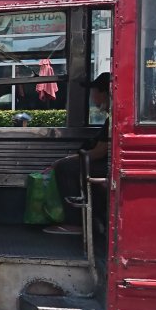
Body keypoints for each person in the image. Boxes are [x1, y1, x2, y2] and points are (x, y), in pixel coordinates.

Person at [49, 72, 110, 231]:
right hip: (104, 164)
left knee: (66, 168)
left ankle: (76, 223)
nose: (92, 97)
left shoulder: (114, 119)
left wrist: (68, 159)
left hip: (107, 166)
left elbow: (99, 152)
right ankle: (90, 219)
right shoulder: (110, 118)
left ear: (103, 93)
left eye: (94, 92)